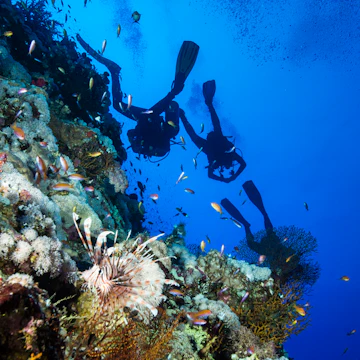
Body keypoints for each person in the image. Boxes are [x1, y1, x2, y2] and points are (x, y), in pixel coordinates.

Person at [76, 34, 199, 158]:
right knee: (135, 109)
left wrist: (134, 141)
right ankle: (172, 91)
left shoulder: (146, 145)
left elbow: (131, 132)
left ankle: (114, 71)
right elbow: (155, 113)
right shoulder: (164, 137)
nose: (150, 150)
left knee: (117, 105)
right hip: (149, 117)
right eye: (151, 150)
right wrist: (172, 95)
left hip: (143, 118)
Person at [221, 180, 299, 277]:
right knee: (268, 231)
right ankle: (251, 221)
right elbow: (292, 253)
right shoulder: (287, 260)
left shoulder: (284, 261)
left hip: (268, 249)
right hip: (272, 247)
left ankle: (248, 224)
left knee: (265, 232)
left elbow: (292, 252)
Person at [179, 80, 246, 182]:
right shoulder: (232, 155)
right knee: (215, 124)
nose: (227, 165)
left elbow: (210, 175)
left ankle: (182, 115)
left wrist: (225, 179)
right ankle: (209, 103)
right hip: (218, 141)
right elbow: (243, 164)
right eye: (229, 165)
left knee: (195, 136)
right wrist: (232, 177)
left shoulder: (217, 162)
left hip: (209, 148)